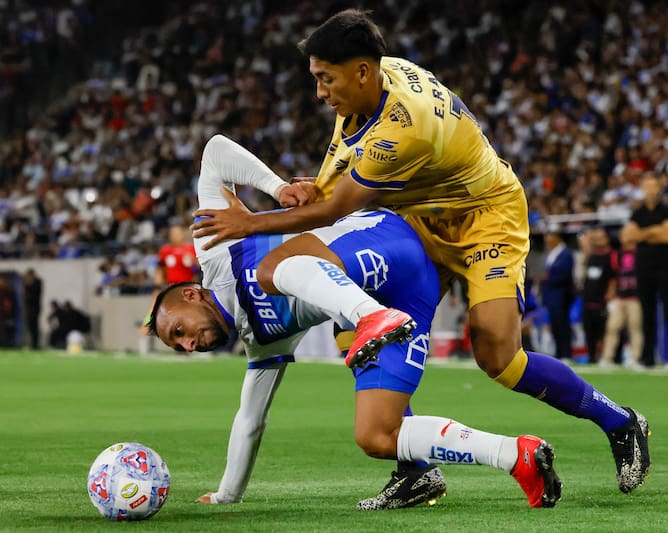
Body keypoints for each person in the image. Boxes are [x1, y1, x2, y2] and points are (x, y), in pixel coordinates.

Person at [190, 9, 649, 494]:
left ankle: (620, 422)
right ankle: (415, 471)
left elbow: (336, 209)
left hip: (483, 215)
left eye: (326, 79)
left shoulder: (404, 126)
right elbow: (337, 182)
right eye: (316, 79)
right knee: (356, 325)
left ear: (361, 71)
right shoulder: (369, 90)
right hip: (419, 217)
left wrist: (251, 222)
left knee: (498, 356)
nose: (320, 93)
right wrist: (304, 189)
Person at [148, 133, 562, 510]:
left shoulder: (216, 253)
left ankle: (369, 317)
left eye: (178, 331)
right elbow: (249, 420)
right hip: (407, 290)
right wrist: (226, 495)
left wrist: (279, 189)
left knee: (271, 271)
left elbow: (215, 152)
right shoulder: (261, 342)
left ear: (191, 294)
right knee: (377, 435)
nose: (187, 345)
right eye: (179, 345)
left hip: (386, 236)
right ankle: (515, 455)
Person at [625, 173, 668, 367]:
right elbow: (627, 238)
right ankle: (648, 358)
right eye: (647, 186)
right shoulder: (638, 213)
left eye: (653, 186)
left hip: (665, 267)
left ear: (659, 188)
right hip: (644, 268)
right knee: (647, 314)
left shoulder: (667, 210)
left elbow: (666, 236)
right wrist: (653, 231)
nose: (650, 190)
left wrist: (642, 234)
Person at [601, 226, 644, 368]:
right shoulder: (617, 254)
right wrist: (611, 293)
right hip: (620, 297)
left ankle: (635, 358)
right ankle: (607, 358)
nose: (624, 237)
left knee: (635, 328)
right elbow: (614, 276)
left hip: (635, 297)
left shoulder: (640, 253)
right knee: (612, 327)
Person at [540, 229, 575, 361]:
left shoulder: (566, 253)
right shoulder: (550, 253)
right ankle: (559, 352)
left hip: (561, 295)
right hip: (550, 295)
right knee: (554, 325)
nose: (546, 239)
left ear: (557, 237)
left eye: (549, 235)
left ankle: (566, 353)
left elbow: (564, 273)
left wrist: (546, 277)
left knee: (562, 324)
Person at [580, 228, 614, 363]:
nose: (598, 240)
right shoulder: (591, 257)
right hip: (588, 300)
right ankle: (591, 357)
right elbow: (583, 240)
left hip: (602, 302)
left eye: (601, 237)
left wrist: (611, 293)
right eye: (596, 238)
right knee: (589, 331)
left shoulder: (611, 256)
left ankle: (606, 357)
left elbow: (613, 278)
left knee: (604, 332)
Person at [22, 268, 43, 349]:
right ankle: (32, 344)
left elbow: (34, 295)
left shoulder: (37, 282)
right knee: (30, 327)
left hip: (34, 308)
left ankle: (35, 345)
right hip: (29, 308)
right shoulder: (28, 283)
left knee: (34, 327)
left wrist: (27, 284)